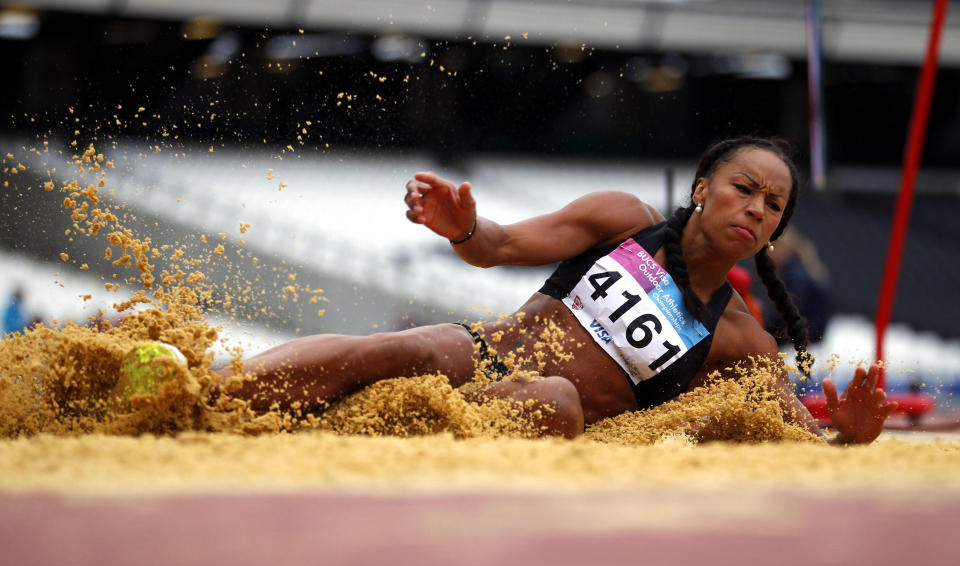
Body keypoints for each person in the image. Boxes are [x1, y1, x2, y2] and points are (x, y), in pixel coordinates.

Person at [224, 137, 897, 443]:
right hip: (480, 358)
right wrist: (465, 228)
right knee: (405, 350)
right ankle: (214, 396)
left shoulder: (739, 336)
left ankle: (362, 425)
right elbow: (501, 246)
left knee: (560, 399)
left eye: (772, 204)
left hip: (542, 419)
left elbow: (799, 431)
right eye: (743, 188)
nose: (755, 208)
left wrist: (849, 436)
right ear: (702, 190)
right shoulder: (622, 220)